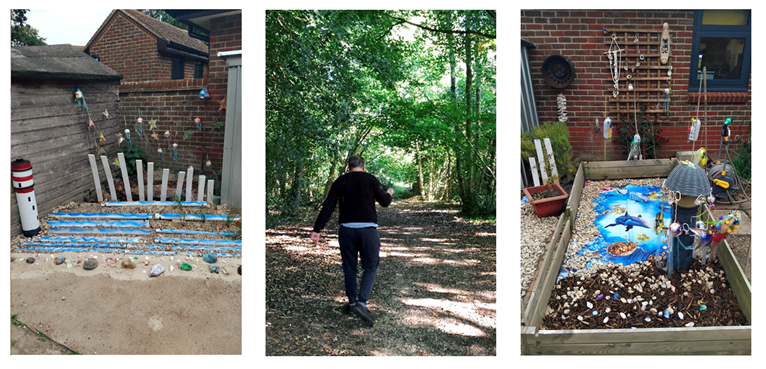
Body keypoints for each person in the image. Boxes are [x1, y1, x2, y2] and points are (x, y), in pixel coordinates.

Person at [311, 155, 393, 326]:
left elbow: (329, 206)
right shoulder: (371, 180)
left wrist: (317, 230)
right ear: (363, 167)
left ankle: (351, 303)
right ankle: (361, 304)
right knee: (370, 266)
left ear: (348, 167)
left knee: (349, 267)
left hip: (347, 231)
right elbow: (384, 202)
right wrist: (389, 193)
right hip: (368, 231)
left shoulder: (340, 182)